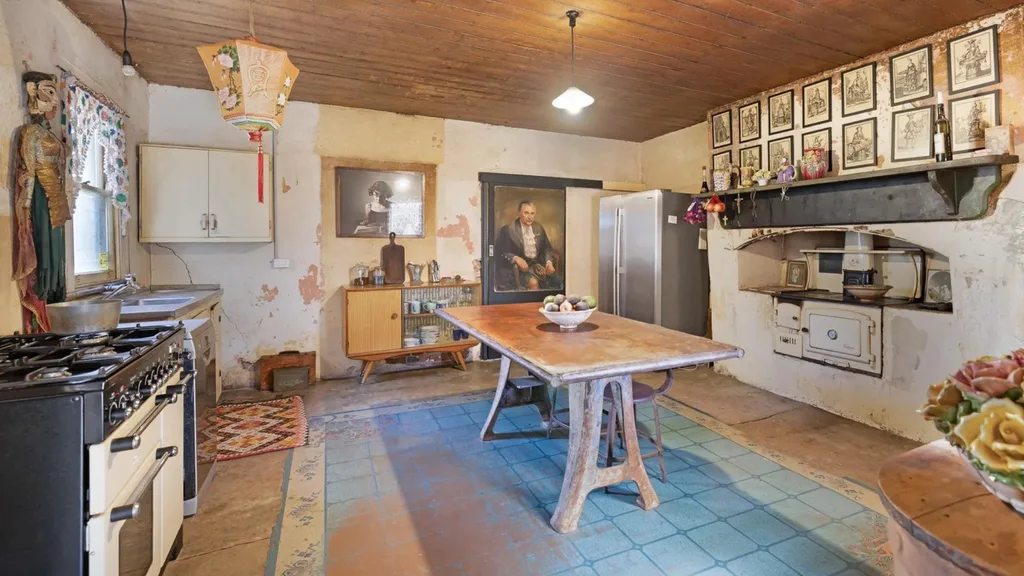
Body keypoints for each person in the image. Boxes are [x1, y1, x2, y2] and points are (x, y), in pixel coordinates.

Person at [495, 201, 561, 291]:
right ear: (519, 213)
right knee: (533, 283)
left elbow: (546, 247)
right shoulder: (509, 229)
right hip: (517, 271)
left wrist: (549, 262)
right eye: (526, 213)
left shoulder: (538, 227)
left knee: (558, 282)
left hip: (538, 267)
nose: (530, 217)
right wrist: (516, 258)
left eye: (532, 213)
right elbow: (500, 252)